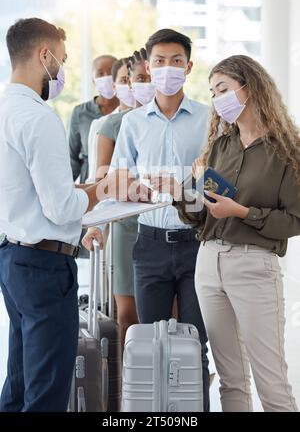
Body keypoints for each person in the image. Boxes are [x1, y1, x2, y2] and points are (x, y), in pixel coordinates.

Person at [172, 54, 300, 412]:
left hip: (254, 266)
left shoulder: (288, 151)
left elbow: (294, 219)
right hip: (208, 262)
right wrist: (185, 191)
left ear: (250, 86)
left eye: (223, 89)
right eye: (213, 92)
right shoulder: (219, 146)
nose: (217, 99)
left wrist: (242, 212)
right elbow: (199, 218)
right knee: (230, 379)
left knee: (270, 381)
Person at [0, 18, 104, 412]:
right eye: (60, 60)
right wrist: (99, 191)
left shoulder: (4, 108)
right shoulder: (39, 117)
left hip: (13, 258)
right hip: (44, 267)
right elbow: (60, 207)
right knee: (46, 392)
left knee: (20, 380)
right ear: (44, 55)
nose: (61, 71)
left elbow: (23, 190)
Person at [108, 29, 211, 411]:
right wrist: (131, 187)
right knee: (148, 346)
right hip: (148, 245)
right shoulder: (134, 122)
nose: (168, 68)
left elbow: (221, 182)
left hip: (197, 243)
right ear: (149, 68)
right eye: (160, 61)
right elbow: (116, 177)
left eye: (176, 61)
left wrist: (184, 185)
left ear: (189, 66)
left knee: (195, 344)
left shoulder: (209, 118)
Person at [82, 49, 155, 350]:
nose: (142, 84)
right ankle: (125, 388)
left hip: (163, 226)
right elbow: (103, 184)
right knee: (127, 317)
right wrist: (96, 225)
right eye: (136, 79)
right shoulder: (112, 125)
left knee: (162, 317)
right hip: (125, 227)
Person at [68, 54, 118, 183]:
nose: (107, 77)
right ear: (93, 80)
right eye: (100, 74)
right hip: (89, 184)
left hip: (121, 183)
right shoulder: (81, 112)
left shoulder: (128, 112)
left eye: (111, 72)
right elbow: (72, 159)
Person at [86, 57, 135, 183]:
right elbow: (96, 178)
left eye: (136, 80)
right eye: (124, 81)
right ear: (114, 86)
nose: (130, 86)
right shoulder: (103, 125)